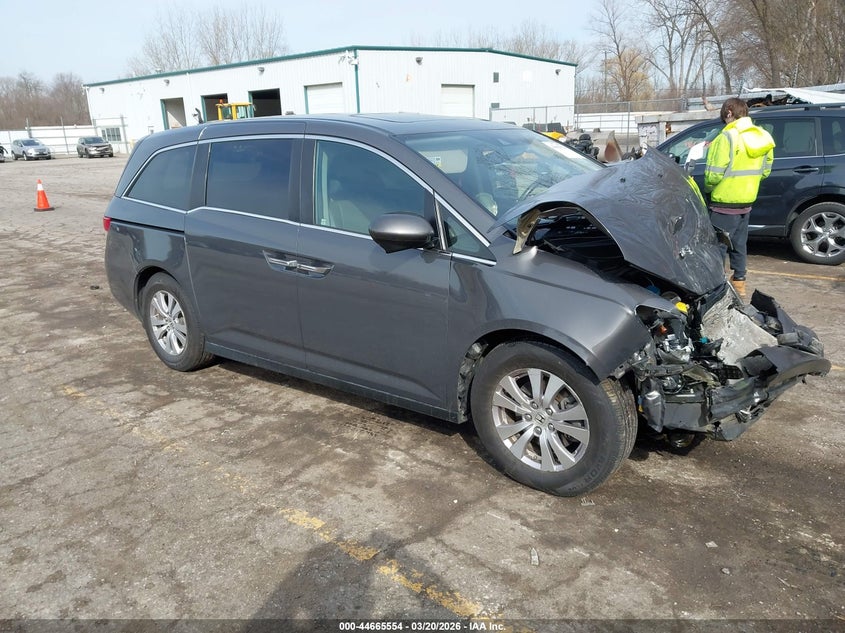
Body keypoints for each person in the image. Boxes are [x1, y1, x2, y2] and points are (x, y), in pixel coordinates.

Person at [704, 97, 775, 300]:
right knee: (739, 243)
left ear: (729, 112)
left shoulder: (726, 137)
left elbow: (713, 175)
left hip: (723, 202)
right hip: (746, 201)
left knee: (717, 247)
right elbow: (765, 170)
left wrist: (708, 189)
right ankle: (739, 283)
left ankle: (714, 288)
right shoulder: (762, 136)